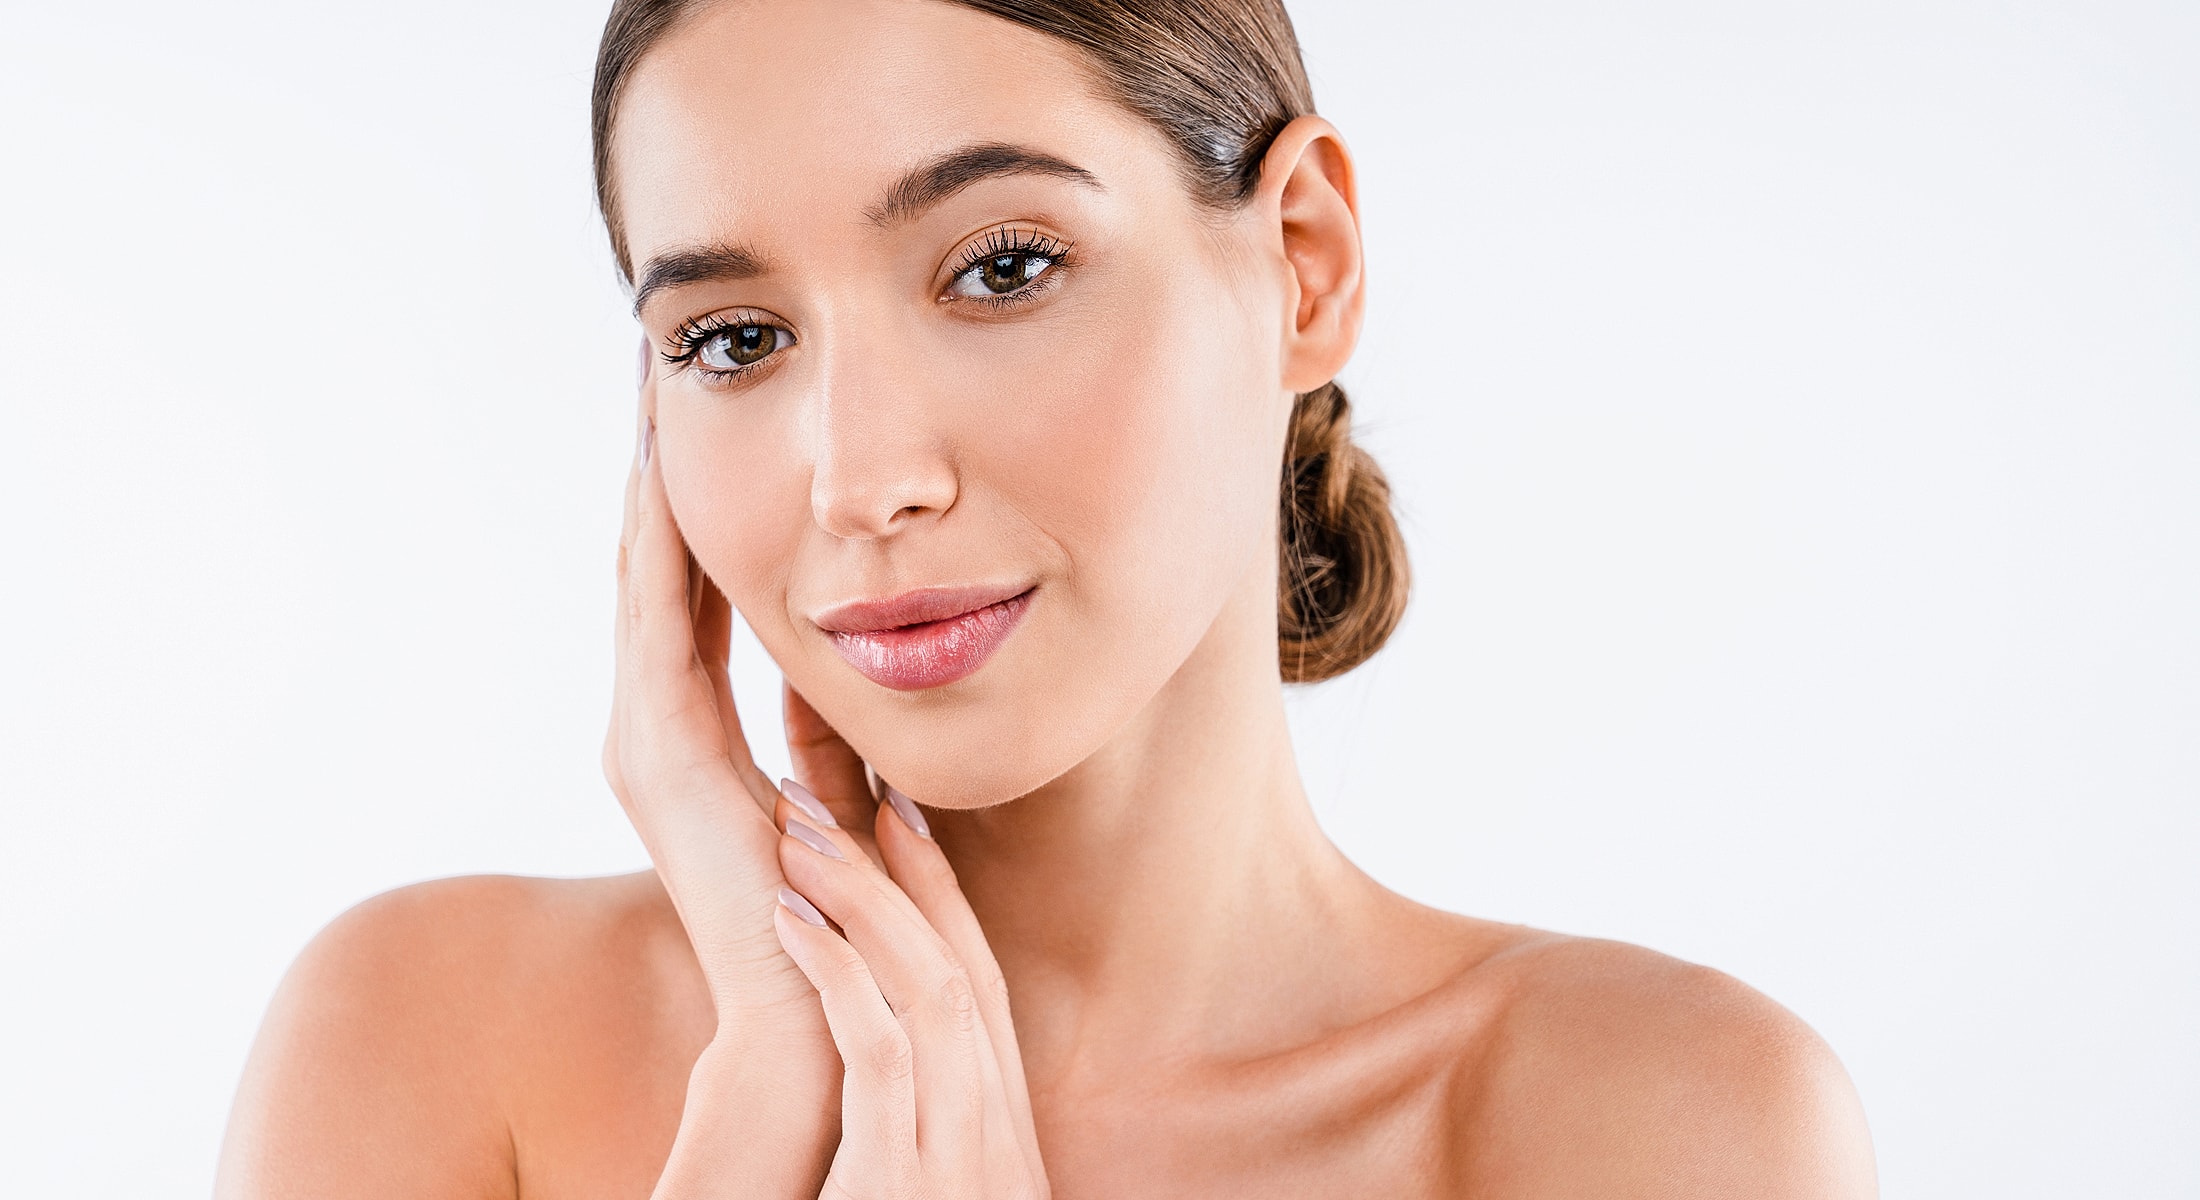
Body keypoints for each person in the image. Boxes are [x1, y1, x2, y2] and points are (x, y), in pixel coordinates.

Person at [216, 0, 1877, 1195]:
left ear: (1302, 262)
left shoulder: (1654, 1128)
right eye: (732, 339)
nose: (860, 477)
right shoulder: (428, 1036)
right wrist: (756, 1111)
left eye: (1003, 267)